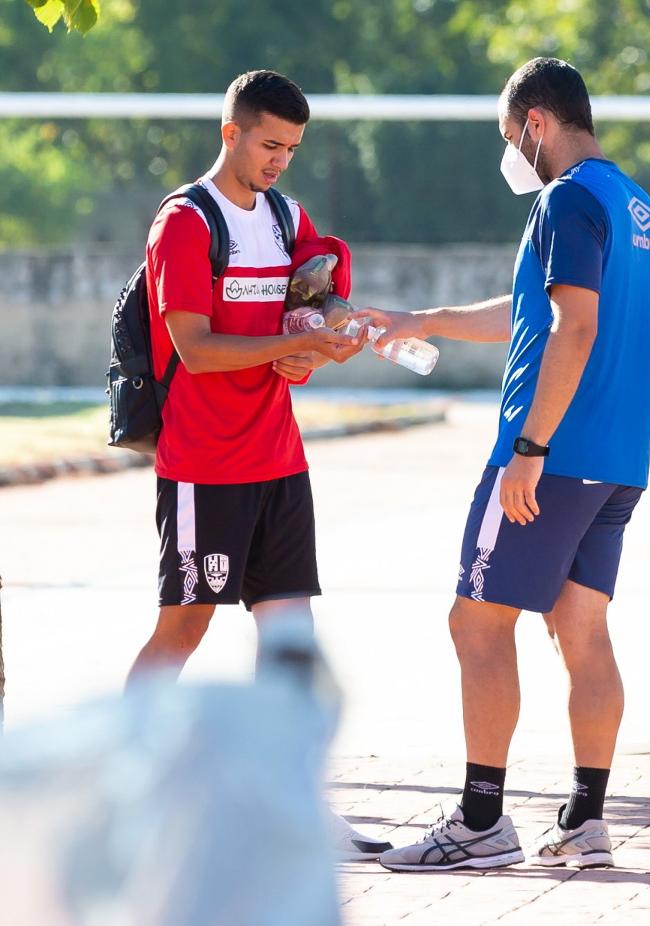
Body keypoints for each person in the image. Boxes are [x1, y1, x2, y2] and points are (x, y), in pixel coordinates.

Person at [352, 57, 650, 872]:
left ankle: (482, 819)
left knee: (476, 621)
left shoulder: (564, 199)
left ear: (535, 123)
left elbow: (575, 329)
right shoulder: (633, 202)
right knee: (581, 627)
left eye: (508, 137)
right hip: (619, 459)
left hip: (552, 456)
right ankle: (586, 822)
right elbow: (535, 310)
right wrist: (424, 318)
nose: (510, 156)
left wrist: (529, 449)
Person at [124, 69, 391, 860]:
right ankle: (124, 786)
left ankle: (300, 808)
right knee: (183, 629)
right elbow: (197, 349)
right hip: (204, 464)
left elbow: (313, 299)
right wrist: (293, 344)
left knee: (292, 645)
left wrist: (327, 336)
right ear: (230, 133)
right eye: (269, 144)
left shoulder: (284, 215)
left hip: (279, 458)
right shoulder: (185, 221)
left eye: (292, 149)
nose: (280, 161)